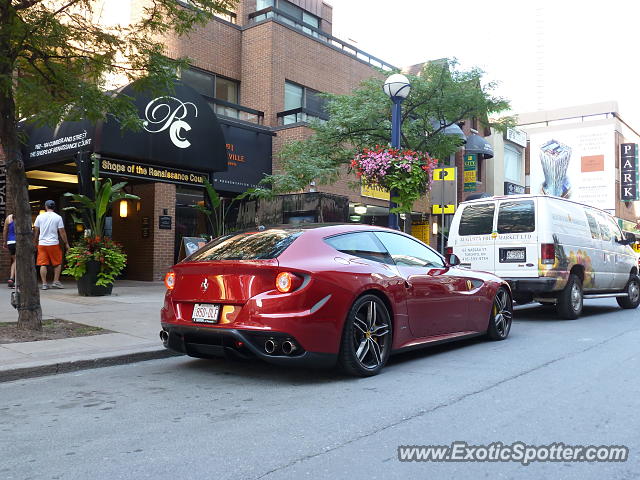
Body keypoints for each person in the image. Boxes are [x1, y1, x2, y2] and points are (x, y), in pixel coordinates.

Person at [33, 200, 69, 290]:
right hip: (54, 244)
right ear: (54, 207)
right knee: (57, 263)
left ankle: (44, 284)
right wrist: (66, 243)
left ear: (46, 207)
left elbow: (36, 231)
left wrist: (34, 242)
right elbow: (62, 232)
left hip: (42, 244)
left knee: (43, 264)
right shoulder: (58, 217)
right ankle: (55, 281)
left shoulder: (39, 217)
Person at [3, 213, 16, 288]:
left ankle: (12, 278)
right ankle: (15, 280)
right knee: (17, 261)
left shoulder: (8, 217)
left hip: (10, 242)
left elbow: (5, 230)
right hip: (19, 242)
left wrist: (4, 241)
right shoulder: (22, 217)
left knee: (15, 260)